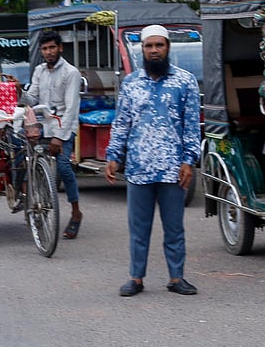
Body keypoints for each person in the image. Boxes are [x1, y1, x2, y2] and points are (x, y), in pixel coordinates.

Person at [105, 24, 201, 297]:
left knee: (174, 226)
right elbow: (122, 123)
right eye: (149, 46)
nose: (154, 50)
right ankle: (136, 278)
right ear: (142, 49)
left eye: (159, 45)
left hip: (173, 169)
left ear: (168, 48)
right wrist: (113, 157)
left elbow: (192, 125)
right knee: (138, 227)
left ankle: (176, 277)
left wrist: (188, 161)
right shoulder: (131, 83)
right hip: (138, 167)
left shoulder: (185, 81)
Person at [23, 30, 83, 237]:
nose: (49, 52)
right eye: (45, 49)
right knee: (24, 160)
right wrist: (17, 90)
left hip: (63, 127)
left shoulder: (71, 73)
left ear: (60, 48)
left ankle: (76, 213)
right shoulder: (39, 71)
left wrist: (59, 137)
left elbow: (71, 109)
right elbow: (31, 98)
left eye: (52, 48)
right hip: (41, 126)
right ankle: (32, 204)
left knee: (64, 168)